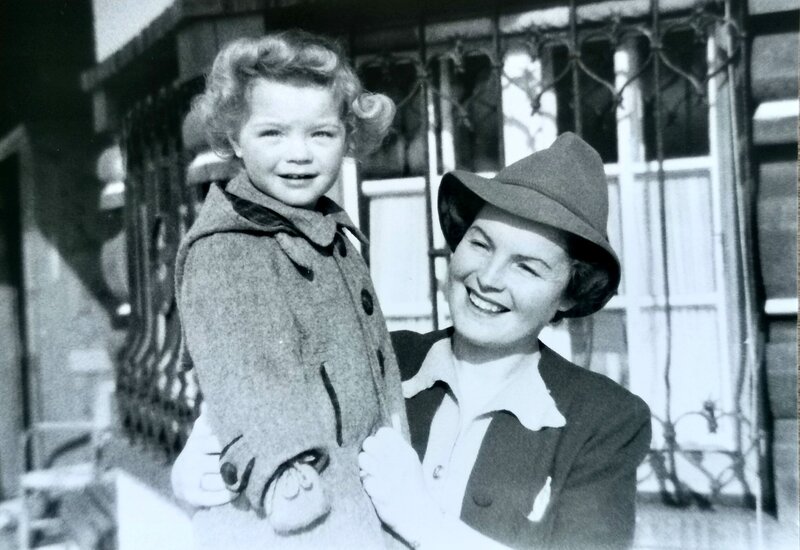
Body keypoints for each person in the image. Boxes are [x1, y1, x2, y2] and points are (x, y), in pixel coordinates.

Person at [174, 132, 652, 549]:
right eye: (480, 244)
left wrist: (424, 522)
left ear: (569, 293)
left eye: (527, 267)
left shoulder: (603, 420)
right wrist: (205, 472)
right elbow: (255, 407)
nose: (488, 278)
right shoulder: (381, 355)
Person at [174, 30, 409, 549]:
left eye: (321, 134)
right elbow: (246, 374)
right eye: (273, 134)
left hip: (361, 497)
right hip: (291, 513)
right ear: (236, 139)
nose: (299, 154)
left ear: (348, 137)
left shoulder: (326, 231)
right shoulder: (228, 246)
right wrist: (284, 472)